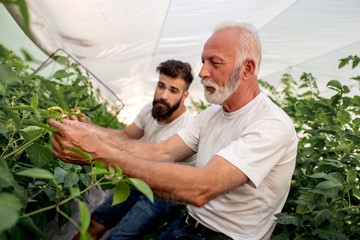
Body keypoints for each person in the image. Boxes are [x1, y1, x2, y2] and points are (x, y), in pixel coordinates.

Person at [49, 21, 298, 240]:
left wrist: (97, 152)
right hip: (188, 223)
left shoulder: (270, 124)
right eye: (203, 61)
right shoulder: (211, 115)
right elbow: (163, 152)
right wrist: (89, 132)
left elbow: (202, 187)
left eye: (215, 63)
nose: (202, 72)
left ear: (247, 69)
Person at [72, 59, 196, 240]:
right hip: (139, 178)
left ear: (184, 96)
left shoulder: (186, 128)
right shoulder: (153, 108)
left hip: (164, 195)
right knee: (95, 222)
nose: (163, 95)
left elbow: (148, 157)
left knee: (117, 238)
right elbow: (126, 136)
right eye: (161, 86)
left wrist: (92, 140)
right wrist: (89, 126)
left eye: (173, 90)